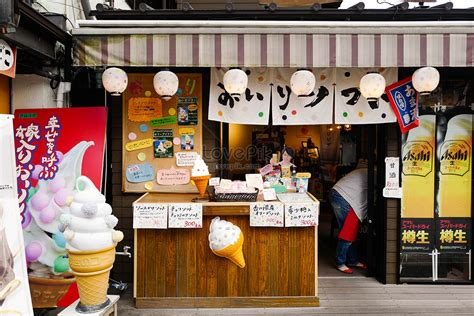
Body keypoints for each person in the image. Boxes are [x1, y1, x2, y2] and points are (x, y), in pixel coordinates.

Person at [329, 160, 368, 274]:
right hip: (344, 198)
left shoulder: (362, 171)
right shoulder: (373, 173)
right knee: (348, 230)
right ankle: (340, 262)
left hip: (341, 195)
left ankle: (353, 260)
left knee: (350, 229)